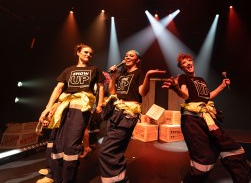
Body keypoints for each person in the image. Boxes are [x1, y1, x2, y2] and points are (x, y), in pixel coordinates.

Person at [162, 52, 249, 183]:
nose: (187, 64)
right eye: (183, 63)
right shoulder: (184, 78)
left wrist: (222, 86)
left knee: (233, 150)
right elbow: (185, 95)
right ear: (182, 68)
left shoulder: (201, 80)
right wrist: (176, 89)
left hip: (208, 119)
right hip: (192, 120)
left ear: (192, 62)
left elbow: (206, 97)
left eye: (189, 61)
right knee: (204, 160)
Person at [38, 43, 106, 183]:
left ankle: (69, 179)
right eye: (86, 52)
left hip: (81, 108)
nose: (88, 55)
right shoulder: (68, 70)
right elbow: (58, 88)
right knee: (58, 143)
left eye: (91, 53)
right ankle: (57, 178)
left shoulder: (95, 69)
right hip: (64, 107)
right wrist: (48, 107)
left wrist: (99, 104)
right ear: (78, 53)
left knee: (71, 145)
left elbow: (100, 87)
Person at [99, 50, 166, 183]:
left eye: (131, 55)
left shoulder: (139, 73)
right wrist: (113, 76)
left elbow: (143, 92)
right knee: (116, 150)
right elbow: (113, 92)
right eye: (126, 55)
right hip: (116, 112)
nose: (128, 57)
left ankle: (114, 179)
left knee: (106, 151)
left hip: (128, 114)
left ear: (138, 60)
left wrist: (147, 76)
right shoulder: (122, 73)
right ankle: (121, 179)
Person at [80, 71, 111, 159]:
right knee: (88, 126)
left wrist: (99, 105)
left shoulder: (103, 86)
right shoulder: (93, 84)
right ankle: (89, 145)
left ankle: (90, 146)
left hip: (96, 107)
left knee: (92, 125)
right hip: (89, 106)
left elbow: (104, 94)